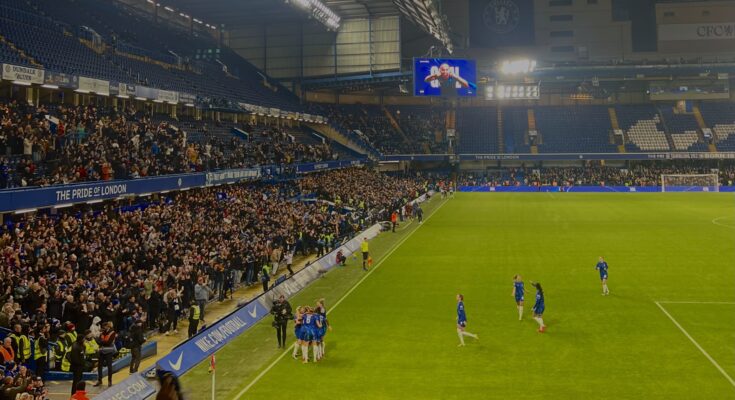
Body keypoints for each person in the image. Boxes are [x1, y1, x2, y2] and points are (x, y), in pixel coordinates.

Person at [94, 322, 116, 387]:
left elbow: (109, 342)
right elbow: (98, 341)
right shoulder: (102, 333)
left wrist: (101, 342)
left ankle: (110, 381)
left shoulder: (112, 333)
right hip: (101, 351)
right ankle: (99, 380)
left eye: (105, 327)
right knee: (99, 366)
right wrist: (102, 342)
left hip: (108, 351)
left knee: (109, 367)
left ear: (108, 326)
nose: (104, 328)